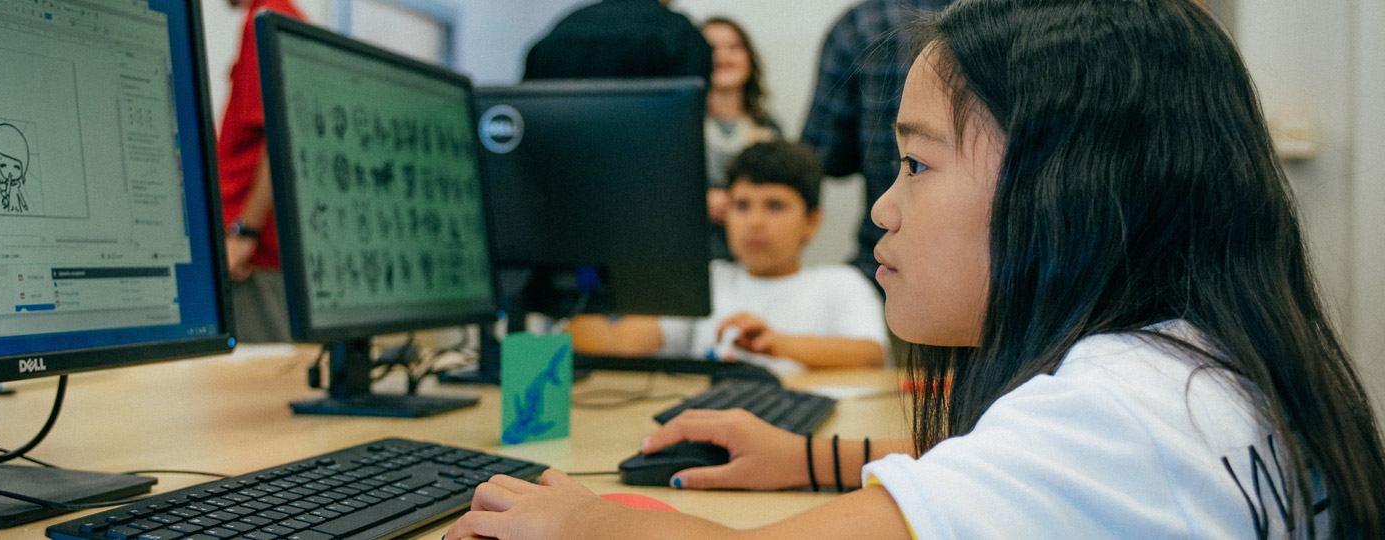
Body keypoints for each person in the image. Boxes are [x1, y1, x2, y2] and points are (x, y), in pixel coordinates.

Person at [446, 0, 1385, 538]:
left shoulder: (1118, 415)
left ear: (1068, 189)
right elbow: (1008, 474)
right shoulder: (1199, 370)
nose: (884, 206)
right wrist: (811, 458)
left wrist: (579, 523)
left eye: (917, 163)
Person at [569, 141, 887, 369]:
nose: (755, 222)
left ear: (812, 221)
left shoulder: (840, 283)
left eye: (775, 206)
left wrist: (777, 344)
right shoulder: (708, 280)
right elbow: (621, 343)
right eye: (742, 205)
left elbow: (871, 354)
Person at [799, 0, 952, 281]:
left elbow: (824, 155)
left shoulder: (860, 24)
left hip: (883, 257)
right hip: (1003, 265)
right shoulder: (1023, 20)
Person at [216, 0, 305, 343]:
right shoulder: (285, 16)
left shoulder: (266, 18)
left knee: (257, 381)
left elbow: (278, 137)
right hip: (267, 251)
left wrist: (244, 233)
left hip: (256, 255)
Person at [701, 17, 782, 260]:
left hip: (755, 258)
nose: (723, 56)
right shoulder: (675, 128)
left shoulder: (770, 128)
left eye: (734, 47)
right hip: (693, 257)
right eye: (711, 48)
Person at [522, 0, 711, 81]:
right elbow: (688, 117)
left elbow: (528, 112)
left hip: (561, 160)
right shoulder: (678, 33)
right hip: (650, 160)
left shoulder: (560, 31)